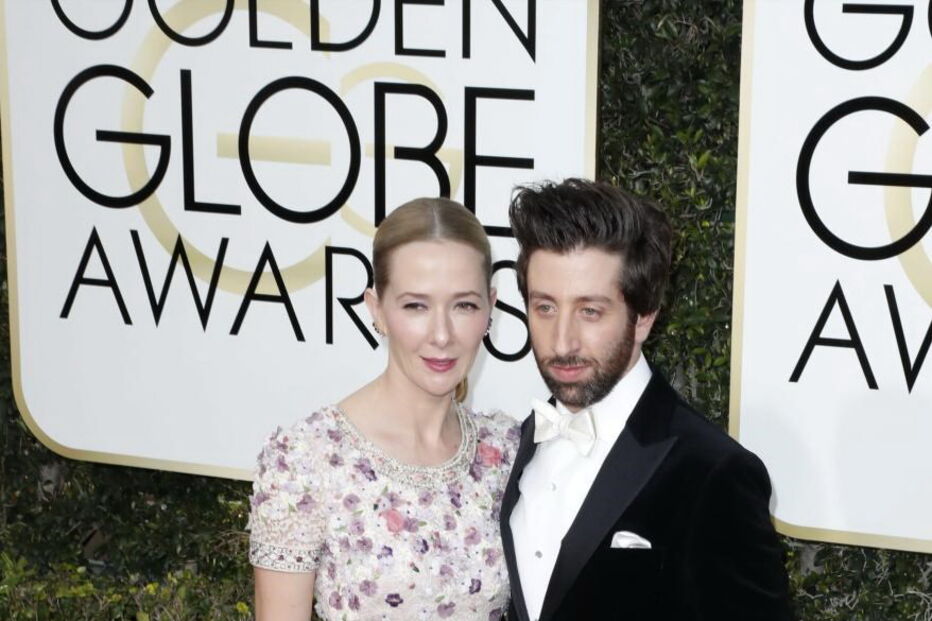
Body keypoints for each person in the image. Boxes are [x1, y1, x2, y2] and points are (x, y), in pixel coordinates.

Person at [500, 178, 793, 621]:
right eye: (545, 307)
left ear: (643, 318)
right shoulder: (519, 442)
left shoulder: (713, 472)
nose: (562, 341)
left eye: (590, 311)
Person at [247, 197, 520, 621]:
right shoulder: (306, 459)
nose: (442, 334)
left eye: (463, 305)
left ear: (490, 308)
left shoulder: (505, 452)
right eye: (416, 306)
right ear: (377, 310)